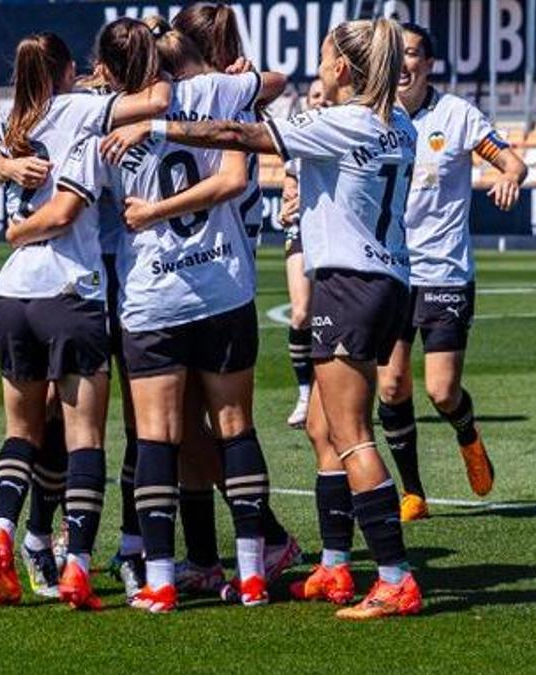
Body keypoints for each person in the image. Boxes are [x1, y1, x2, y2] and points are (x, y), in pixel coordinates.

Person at [103, 17, 423, 620]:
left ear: (343, 71)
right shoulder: (398, 124)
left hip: (347, 283)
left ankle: (393, 575)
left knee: (351, 434)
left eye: (326, 58)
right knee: (323, 431)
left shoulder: (341, 122)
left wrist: (157, 123)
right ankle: (333, 567)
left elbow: (238, 133)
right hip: (387, 280)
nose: (318, 68)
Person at [20, 19, 283, 613]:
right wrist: (239, 77)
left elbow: (63, 194)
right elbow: (274, 85)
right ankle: (251, 578)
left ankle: (159, 578)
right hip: (223, 286)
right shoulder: (211, 91)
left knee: (156, 438)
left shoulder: (98, 120)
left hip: (151, 295)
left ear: (108, 70)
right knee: (236, 427)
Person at [0, 26, 174, 610]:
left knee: (26, 430)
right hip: (79, 288)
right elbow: (65, 209)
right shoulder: (85, 115)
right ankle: (75, 562)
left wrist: (5, 173)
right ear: (70, 71)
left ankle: (7, 533)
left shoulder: (14, 117)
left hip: (16, 290)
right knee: (85, 434)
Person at [163, 3, 304, 594]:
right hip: (208, 269)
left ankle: (265, 540)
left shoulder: (220, 92)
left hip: (213, 270)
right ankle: (210, 555)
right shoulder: (239, 89)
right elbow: (276, 81)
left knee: (215, 424)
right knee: (197, 427)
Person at [376, 23, 527, 521]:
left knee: (441, 390)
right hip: (392, 271)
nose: (404, 64)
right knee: (392, 387)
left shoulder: (456, 115)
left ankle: (468, 434)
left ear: (429, 63)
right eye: (397, 54)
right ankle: (413, 493)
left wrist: (508, 175)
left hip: (444, 272)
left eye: (414, 54)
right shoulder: (374, 116)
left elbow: (511, 161)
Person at [279, 78, 329, 429]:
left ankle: (329, 394)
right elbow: (289, 188)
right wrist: (287, 206)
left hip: (333, 236)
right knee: (300, 314)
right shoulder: (297, 139)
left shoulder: (343, 134)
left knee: (329, 319)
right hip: (301, 230)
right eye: (314, 96)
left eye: (326, 95)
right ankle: (303, 392)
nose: (321, 101)